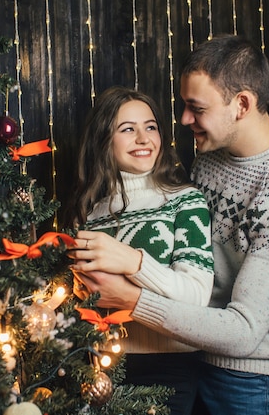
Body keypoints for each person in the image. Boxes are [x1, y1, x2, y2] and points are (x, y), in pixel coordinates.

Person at [72, 35, 269, 415]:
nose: (183, 120)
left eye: (196, 108)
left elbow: (243, 332)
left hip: (246, 381)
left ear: (241, 104)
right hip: (187, 359)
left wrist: (132, 298)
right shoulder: (208, 162)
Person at [68, 86, 214, 415]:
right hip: (98, 368)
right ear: (103, 139)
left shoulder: (184, 201)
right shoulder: (88, 213)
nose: (143, 138)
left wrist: (133, 262)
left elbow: (196, 297)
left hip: (168, 369)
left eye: (150, 127)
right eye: (128, 129)